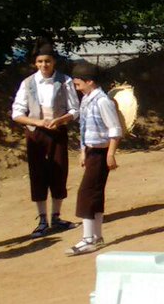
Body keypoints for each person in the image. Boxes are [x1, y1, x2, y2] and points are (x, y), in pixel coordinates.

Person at [11, 40, 80, 237]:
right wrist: (38, 123)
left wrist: (61, 119)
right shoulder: (28, 83)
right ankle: (42, 219)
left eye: (47, 61)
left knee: (59, 171)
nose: (44, 65)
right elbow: (16, 113)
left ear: (54, 62)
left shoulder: (65, 81)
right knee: (38, 173)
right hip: (36, 134)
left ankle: (56, 217)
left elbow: (75, 109)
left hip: (57, 132)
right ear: (35, 63)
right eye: (40, 61)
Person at [66, 62, 122, 256]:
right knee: (95, 194)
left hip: (100, 152)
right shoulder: (87, 99)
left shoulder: (102, 101)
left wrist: (110, 154)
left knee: (87, 194)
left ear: (89, 82)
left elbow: (114, 129)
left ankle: (88, 239)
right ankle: (96, 237)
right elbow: (84, 128)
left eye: (78, 84)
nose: (77, 88)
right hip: (91, 151)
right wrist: (83, 151)